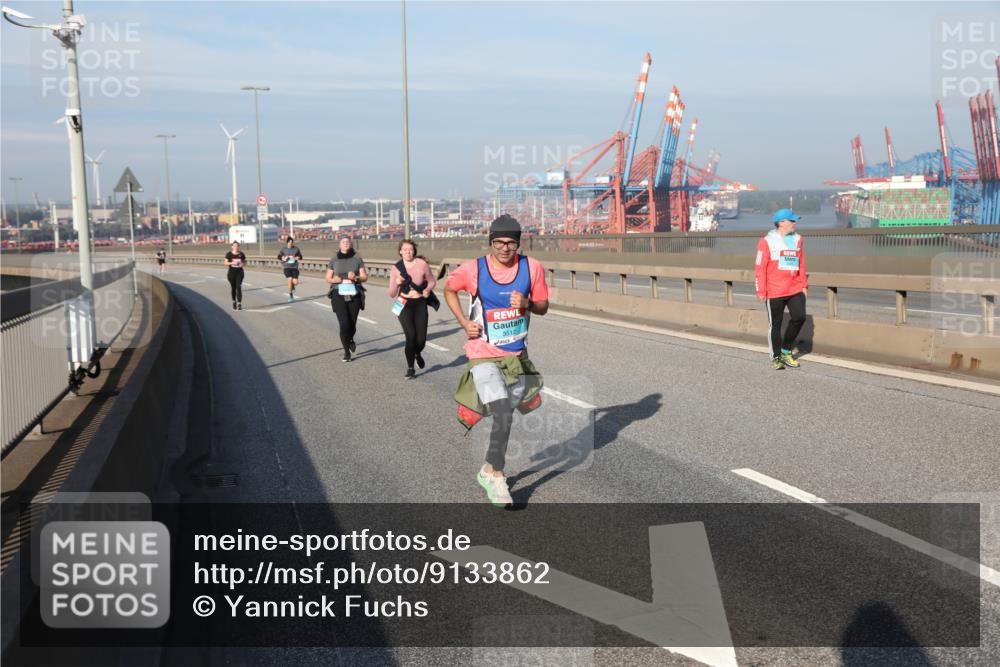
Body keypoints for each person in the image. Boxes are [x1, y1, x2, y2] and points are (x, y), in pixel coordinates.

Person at [444, 215, 549, 508]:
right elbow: (449, 289)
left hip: (516, 357)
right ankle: (498, 476)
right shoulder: (474, 269)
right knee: (503, 412)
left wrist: (527, 304)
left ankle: (488, 468)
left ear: (518, 243)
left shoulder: (532, 267)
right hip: (482, 353)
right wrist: (464, 322)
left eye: (511, 243)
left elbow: (543, 306)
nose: (505, 248)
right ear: (490, 242)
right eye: (499, 242)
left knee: (510, 412)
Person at [755, 208, 808, 370]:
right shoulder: (766, 241)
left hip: (794, 288)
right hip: (774, 290)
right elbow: (760, 267)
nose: (795, 223)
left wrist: (804, 285)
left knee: (800, 317)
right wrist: (761, 290)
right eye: (791, 220)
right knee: (775, 325)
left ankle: (786, 350)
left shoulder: (798, 239)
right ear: (781, 223)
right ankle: (776, 357)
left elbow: (801, 263)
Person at [389, 240, 436, 378]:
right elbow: (391, 293)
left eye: (410, 249)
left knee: (421, 340)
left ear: (414, 250)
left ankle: (417, 353)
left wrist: (427, 290)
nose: (408, 252)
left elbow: (432, 281)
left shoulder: (422, 264)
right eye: (405, 249)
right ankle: (410, 368)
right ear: (400, 251)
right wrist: (397, 283)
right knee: (410, 336)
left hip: (420, 303)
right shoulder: (396, 268)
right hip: (404, 303)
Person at [326, 236, 367, 362]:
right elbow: (327, 277)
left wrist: (356, 278)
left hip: (354, 293)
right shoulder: (334, 259)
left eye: (347, 242)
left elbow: (364, 277)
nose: (345, 243)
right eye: (343, 242)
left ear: (351, 244)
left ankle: (350, 339)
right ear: (339, 245)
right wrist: (334, 280)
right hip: (338, 293)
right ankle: (346, 352)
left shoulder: (357, 258)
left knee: (352, 324)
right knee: (344, 324)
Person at [277, 236, 304, 302]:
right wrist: (283, 258)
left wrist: (298, 258)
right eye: (289, 243)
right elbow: (279, 256)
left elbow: (300, 256)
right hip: (287, 267)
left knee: (295, 282)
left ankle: (293, 286)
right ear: (287, 243)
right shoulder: (284, 249)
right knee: (290, 280)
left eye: (292, 243)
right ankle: (291, 296)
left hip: (294, 267)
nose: (291, 244)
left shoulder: (296, 249)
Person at [224, 241, 247, 310]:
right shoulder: (229, 254)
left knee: (238, 287)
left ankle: (239, 303)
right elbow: (225, 263)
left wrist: (243, 264)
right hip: (231, 273)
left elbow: (245, 261)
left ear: (238, 246)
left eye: (237, 246)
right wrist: (232, 263)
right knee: (233, 288)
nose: (236, 247)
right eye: (234, 246)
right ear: (232, 247)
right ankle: (234, 301)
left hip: (239, 272)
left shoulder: (241, 254)